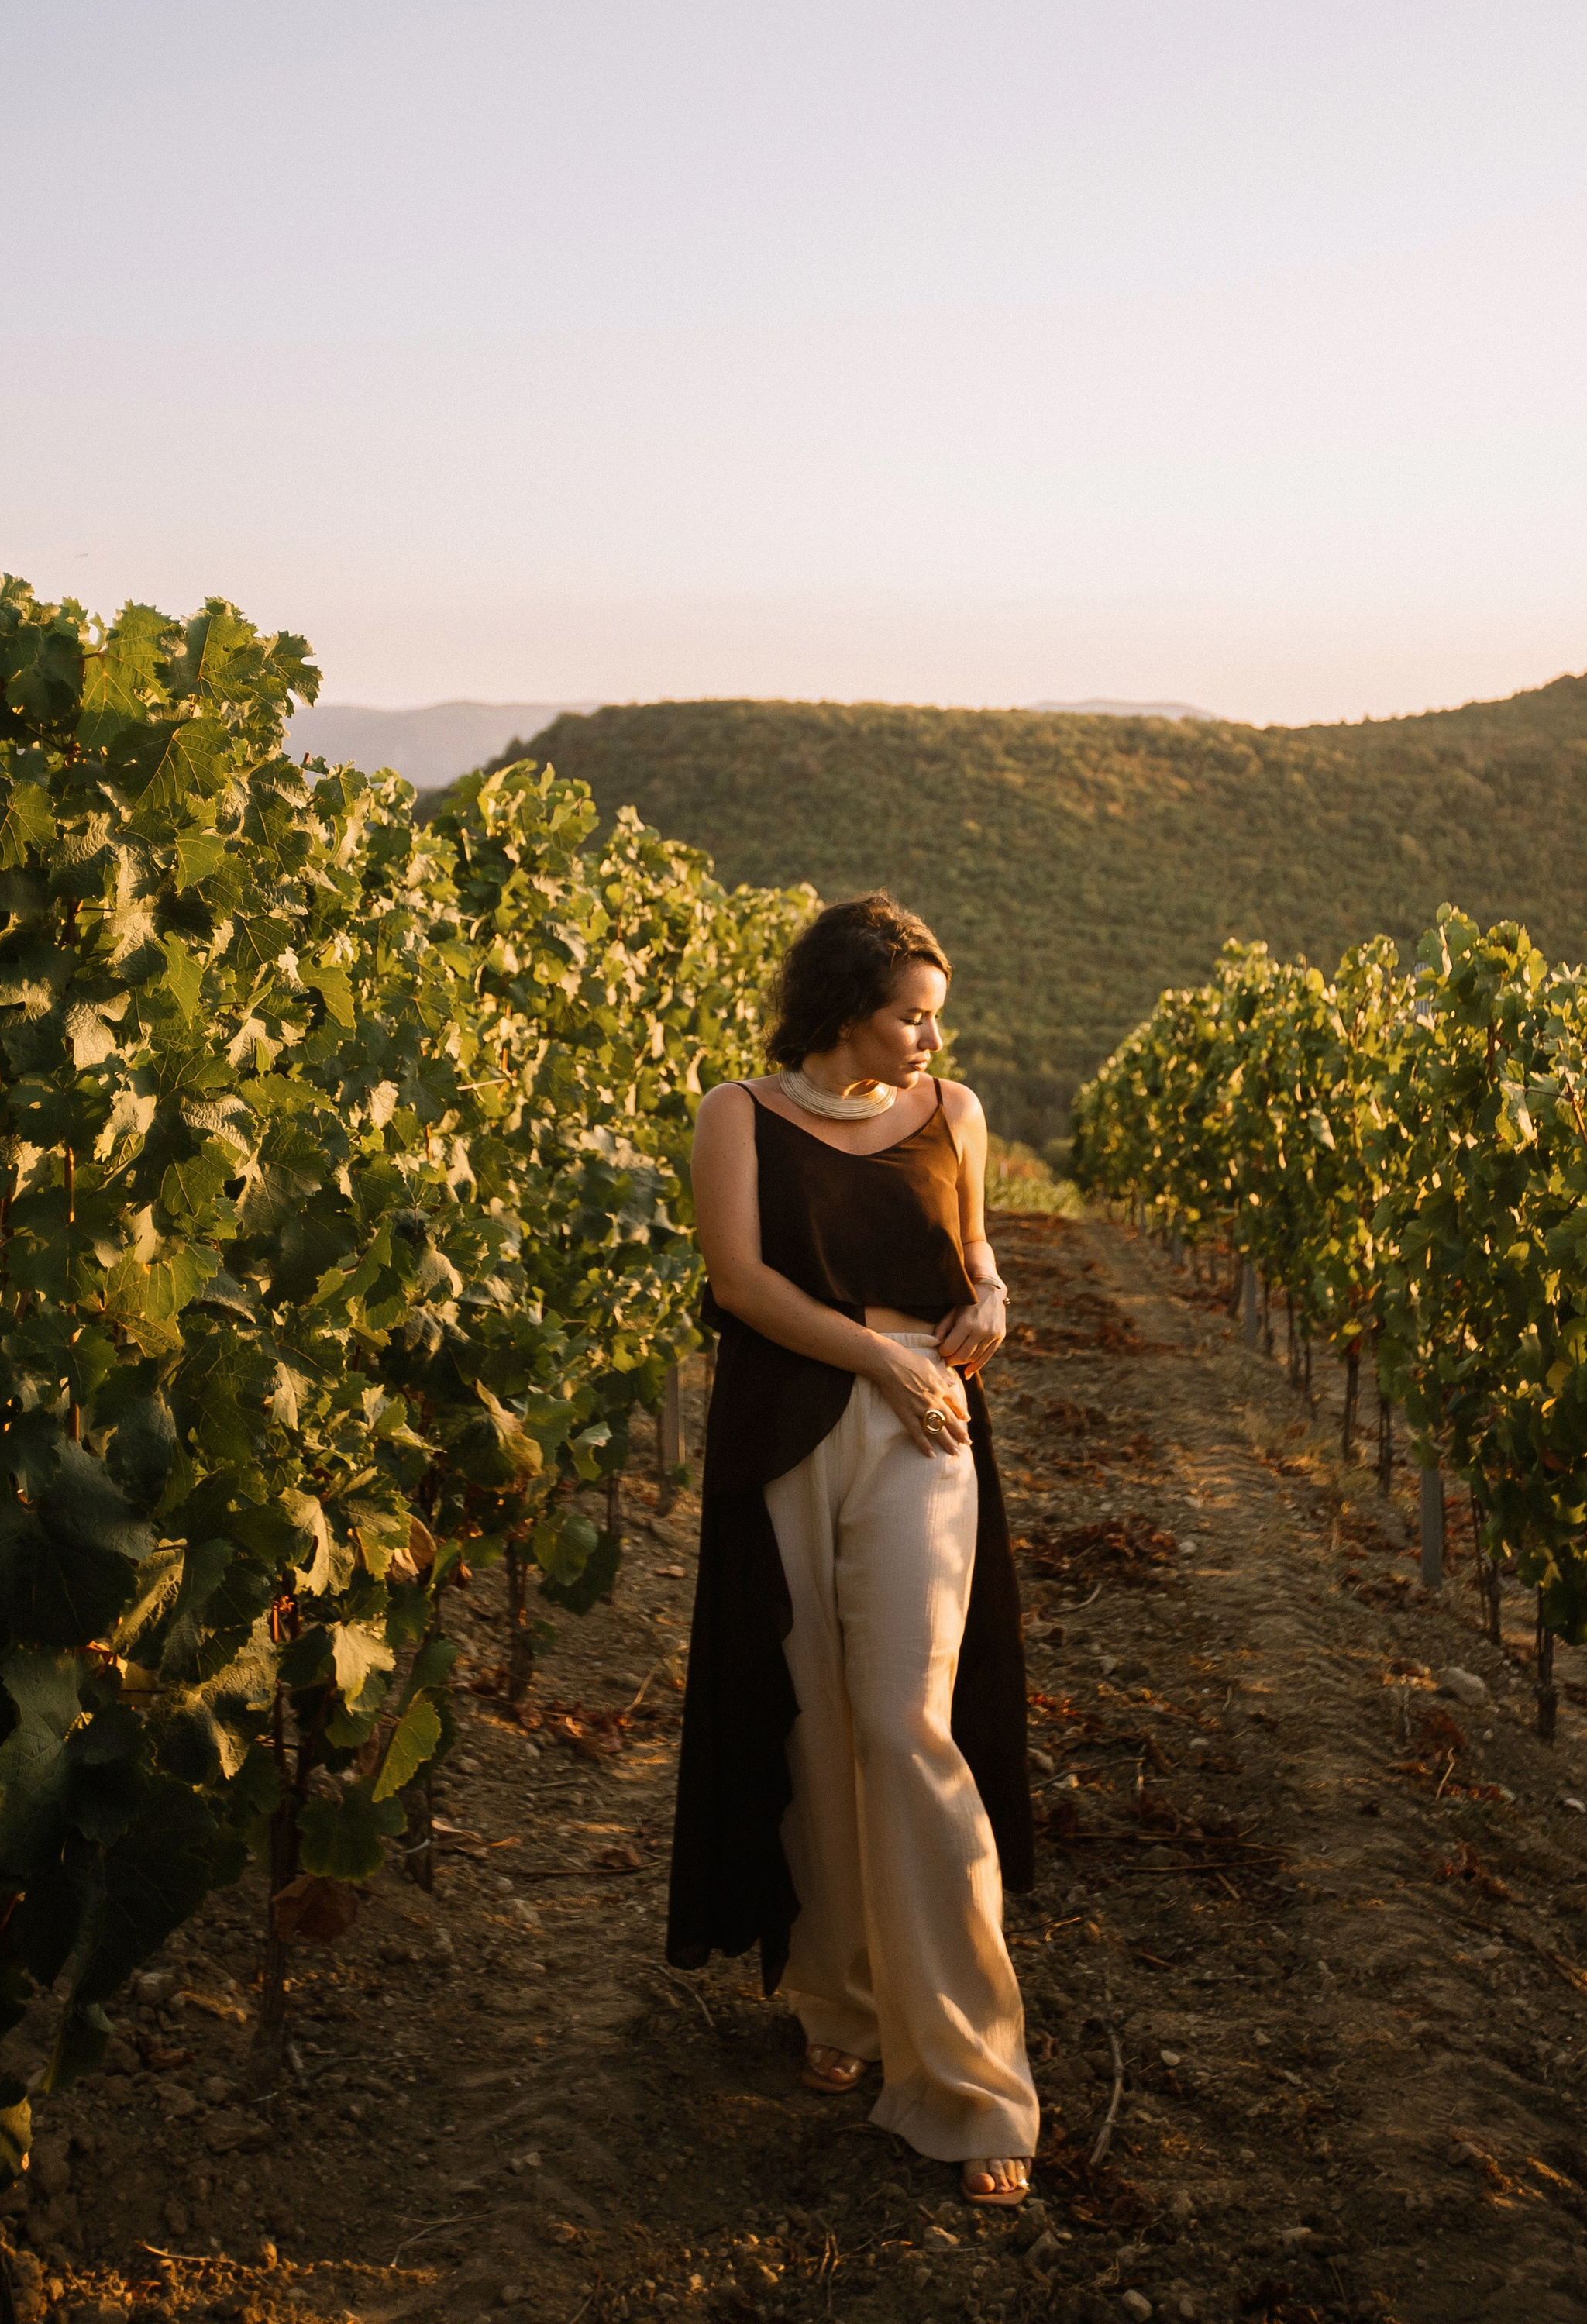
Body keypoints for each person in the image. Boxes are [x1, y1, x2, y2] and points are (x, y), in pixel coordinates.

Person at [666, 894, 1038, 2206]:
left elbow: (977, 1258)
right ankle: (840, 2004)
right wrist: (875, 1350)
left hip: (925, 1433)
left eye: (937, 1015)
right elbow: (742, 1282)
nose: (932, 1037)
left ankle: (975, 2079)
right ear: (843, 1009)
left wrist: (984, 1300)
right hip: (794, 1424)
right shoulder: (738, 1114)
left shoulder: (958, 1115)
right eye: (912, 1013)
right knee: (810, 1720)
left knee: (904, 1729)